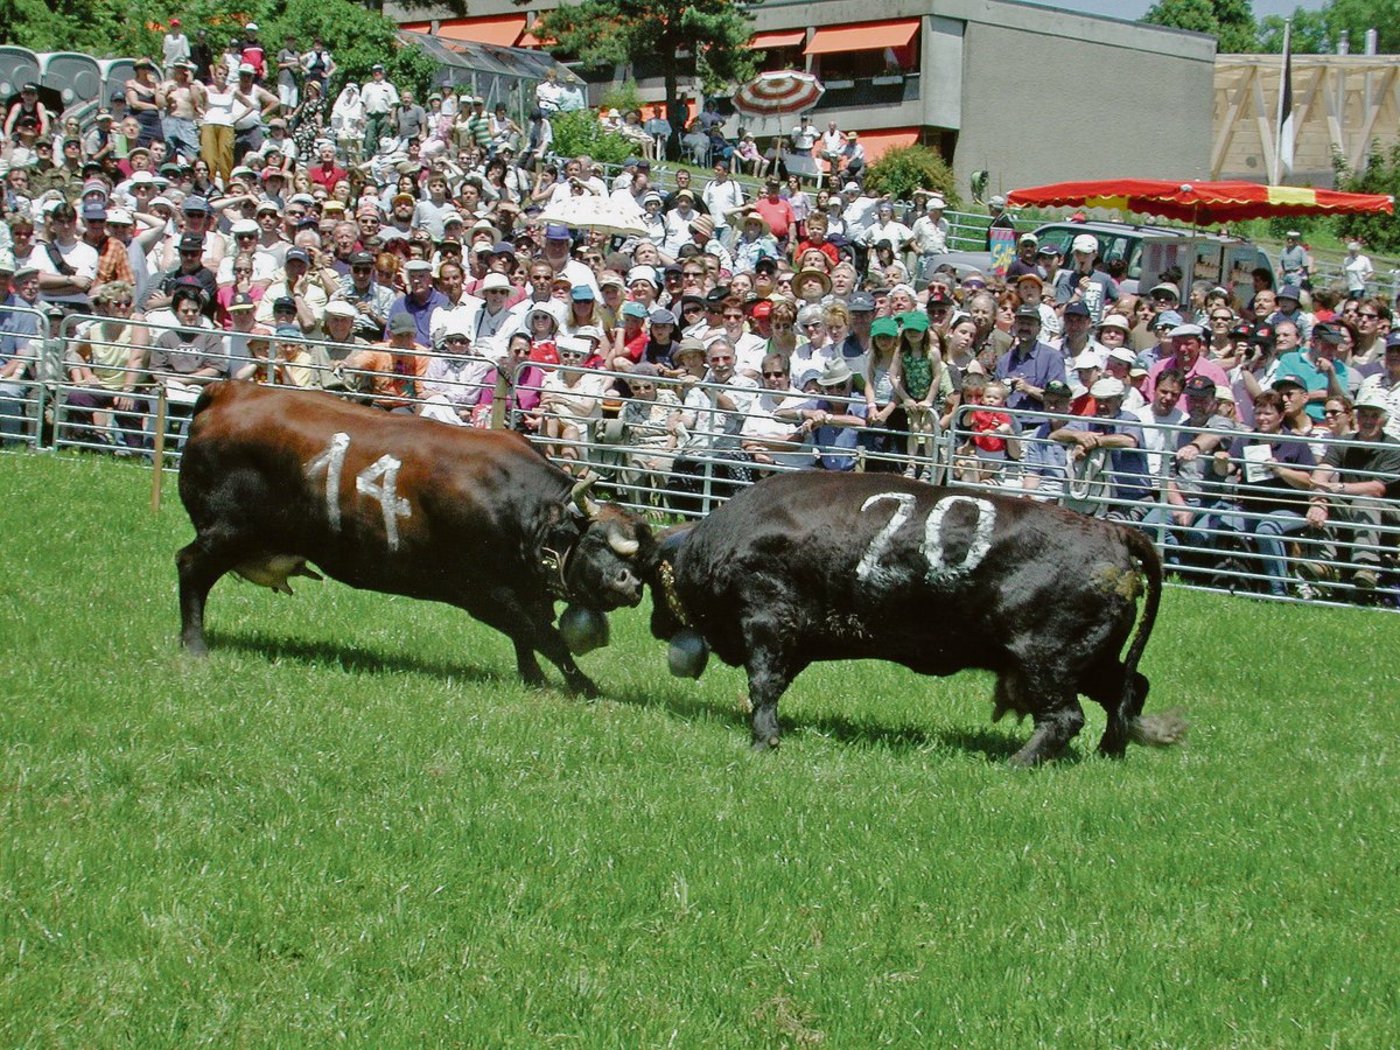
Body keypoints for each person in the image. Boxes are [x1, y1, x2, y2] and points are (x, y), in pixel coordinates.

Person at [1306, 389, 1400, 591]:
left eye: (1374, 416)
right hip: (1353, 506)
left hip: (1389, 511)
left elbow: (1376, 489)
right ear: (1356, 417)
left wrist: (1337, 487)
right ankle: (1322, 563)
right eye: (1364, 414)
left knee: (1365, 499)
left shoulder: (1394, 448)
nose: (1368, 420)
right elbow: (1321, 471)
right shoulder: (1343, 442)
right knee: (1324, 501)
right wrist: (1320, 499)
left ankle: (1366, 567)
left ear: (1384, 420)